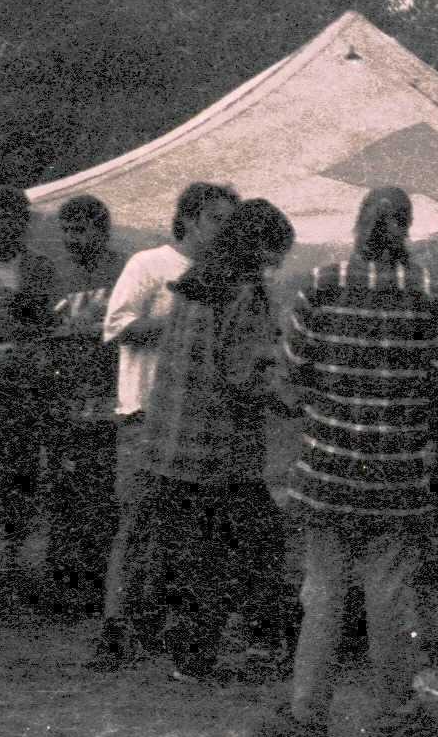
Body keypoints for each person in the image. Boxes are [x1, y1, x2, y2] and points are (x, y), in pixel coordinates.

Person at [255, 187, 438, 737]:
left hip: (328, 471)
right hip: (396, 475)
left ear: (357, 223)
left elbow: (288, 380)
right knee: (389, 595)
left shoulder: (320, 284)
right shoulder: (427, 293)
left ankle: (305, 713)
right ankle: (393, 711)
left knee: (322, 592)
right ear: (407, 228)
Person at [137, 199, 295, 683]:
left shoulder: (195, 281)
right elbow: (241, 371)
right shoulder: (244, 292)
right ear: (258, 246)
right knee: (238, 547)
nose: (278, 263)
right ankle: (216, 651)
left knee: (191, 548)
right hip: (219, 446)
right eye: (276, 251)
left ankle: (192, 648)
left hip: (172, 439)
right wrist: (291, 396)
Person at [91, 182, 238, 668]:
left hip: (193, 423)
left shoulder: (226, 275)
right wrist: (180, 318)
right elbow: (117, 328)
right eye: (218, 218)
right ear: (190, 219)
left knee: (186, 533)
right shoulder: (149, 265)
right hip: (145, 416)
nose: (225, 229)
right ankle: (113, 630)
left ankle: (157, 628)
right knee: (135, 525)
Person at [0, 185, 59, 590]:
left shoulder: (40, 268)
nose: (6, 227)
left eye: (15, 219)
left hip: (23, 381)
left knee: (21, 465)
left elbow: (51, 326)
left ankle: (17, 556)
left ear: (26, 223)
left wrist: (28, 349)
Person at [39, 195, 128, 616]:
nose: (74, 238)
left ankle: (100, 582)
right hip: (66, 393)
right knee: (65, 489)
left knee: (103, 488)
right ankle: (64, 582)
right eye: (68, 230)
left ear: (102, 230)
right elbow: (44, 329)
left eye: (83, 229)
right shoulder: (55, 272)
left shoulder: (123, 270)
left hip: (110, 393)